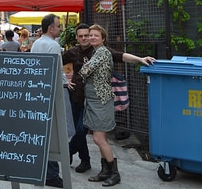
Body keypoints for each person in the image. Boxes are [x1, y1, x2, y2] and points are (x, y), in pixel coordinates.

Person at [62, 22, 156, 173]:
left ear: (100, 38)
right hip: (77, 96)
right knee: (82, 132)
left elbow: (121, 56)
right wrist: (64, 79)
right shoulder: (72, 52)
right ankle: (85, 161)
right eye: (82, 36)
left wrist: (139, 59)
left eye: (89, 35)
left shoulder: (100, 51)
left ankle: (69, 151)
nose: (86, 38)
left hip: (95, 99)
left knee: (82, 130)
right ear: (77, 38)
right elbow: (57, 62)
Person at [30, 13, 74, 188]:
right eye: (59, 26)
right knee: (59, 131)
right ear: (51, 28)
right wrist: (65, 83)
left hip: (39, 91)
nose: (61, 29)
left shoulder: (36, 44)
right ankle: (52, 174)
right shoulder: (54, 46)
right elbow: (56, 71)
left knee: (45, 132)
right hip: (54, 93)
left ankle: (47, 171)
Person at [79, 24, 120, 187]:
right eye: (91, 35)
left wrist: (83, 68)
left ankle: (114, 173)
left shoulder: (102, 52)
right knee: (100, 138)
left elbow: (85, 70)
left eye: (96, 35)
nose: (92, 38)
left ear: (103, 39)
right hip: (94, 99)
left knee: (99, 138)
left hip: (101, 100)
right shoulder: (96, 52)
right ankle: (105, 171)